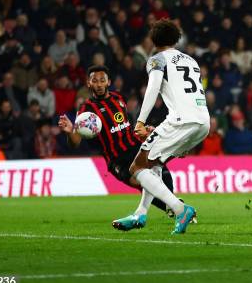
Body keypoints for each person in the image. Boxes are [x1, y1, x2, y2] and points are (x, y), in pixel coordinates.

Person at [115, 19, 210, 235]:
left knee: (137, 168)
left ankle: (179, 208)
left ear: (153, 39)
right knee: (154, 164)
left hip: (181, 120)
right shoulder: (191, 60)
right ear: (176, 38)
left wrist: (140, 121)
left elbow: (153, 88)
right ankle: (140, 213)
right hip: (202, 121)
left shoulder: (156, 59)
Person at [57, 65, 177, 230]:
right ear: (88, 83)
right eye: (95, 81)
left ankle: (172, 207)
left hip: (137, 147)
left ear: (108, 82)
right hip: (117, 158)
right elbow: (75, 142)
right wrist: (70, 132)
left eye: (102, 80)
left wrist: (143, 132)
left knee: (163, 172)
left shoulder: (118, 98)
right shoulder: (86, 110)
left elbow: (126, 125)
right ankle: (175, 208)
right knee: (144, 184)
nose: (99, 84)